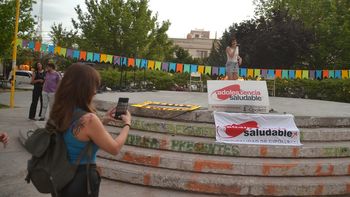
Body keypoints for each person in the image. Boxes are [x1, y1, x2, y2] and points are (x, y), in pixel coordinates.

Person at [49, 63, 131, 197]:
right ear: (85, 88)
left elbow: (76, 134)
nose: (95, 91)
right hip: (81, 181)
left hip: (59, 178)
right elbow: (115, 148)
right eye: (94, 86)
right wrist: (127, 124)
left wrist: (103, 120)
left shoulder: (59, 110)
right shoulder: (90, 120)